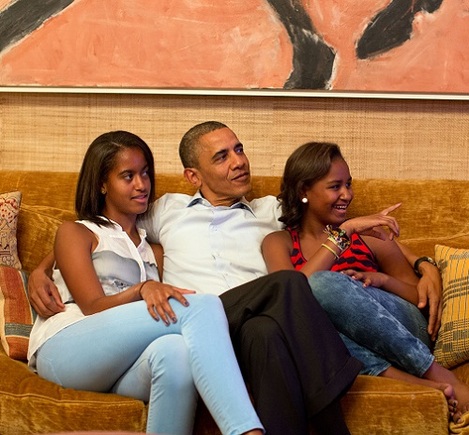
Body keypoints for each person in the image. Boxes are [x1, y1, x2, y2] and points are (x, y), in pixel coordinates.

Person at [28, 122, 440, 434]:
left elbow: (340, 218)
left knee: (267, 329)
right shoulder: (165, 209)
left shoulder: (269, 211)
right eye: (222, 156)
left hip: (248, 326)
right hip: (201, 320)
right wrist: (42, 269)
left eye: (238, 149)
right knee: (288, 284)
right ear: (194, 175)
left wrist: (423, 263)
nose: (239, 160)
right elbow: (98, 231)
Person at [27, 130, 265, 435]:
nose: (141, 185)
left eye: (145, 173)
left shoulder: (153, 248)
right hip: (66, 348)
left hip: (120, 362)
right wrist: (141, 288)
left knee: (176, 351)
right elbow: (93, 307)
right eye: (127, 176)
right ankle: (246, 431)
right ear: (102, 183)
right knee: (201, 306)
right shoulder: (78, 232)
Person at [261, 141, 469, 422]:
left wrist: (382, 280)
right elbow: (288, 296)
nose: (346, 194)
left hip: (405, 332)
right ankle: (422, 386)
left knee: (324, 285)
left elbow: (418, 301)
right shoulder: (279, 241)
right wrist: (341, 236)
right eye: (335, 186)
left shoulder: (370, 239)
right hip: (343, 346)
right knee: (307, 321)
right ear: (303, 191)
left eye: (349, 184)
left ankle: (434, 371)